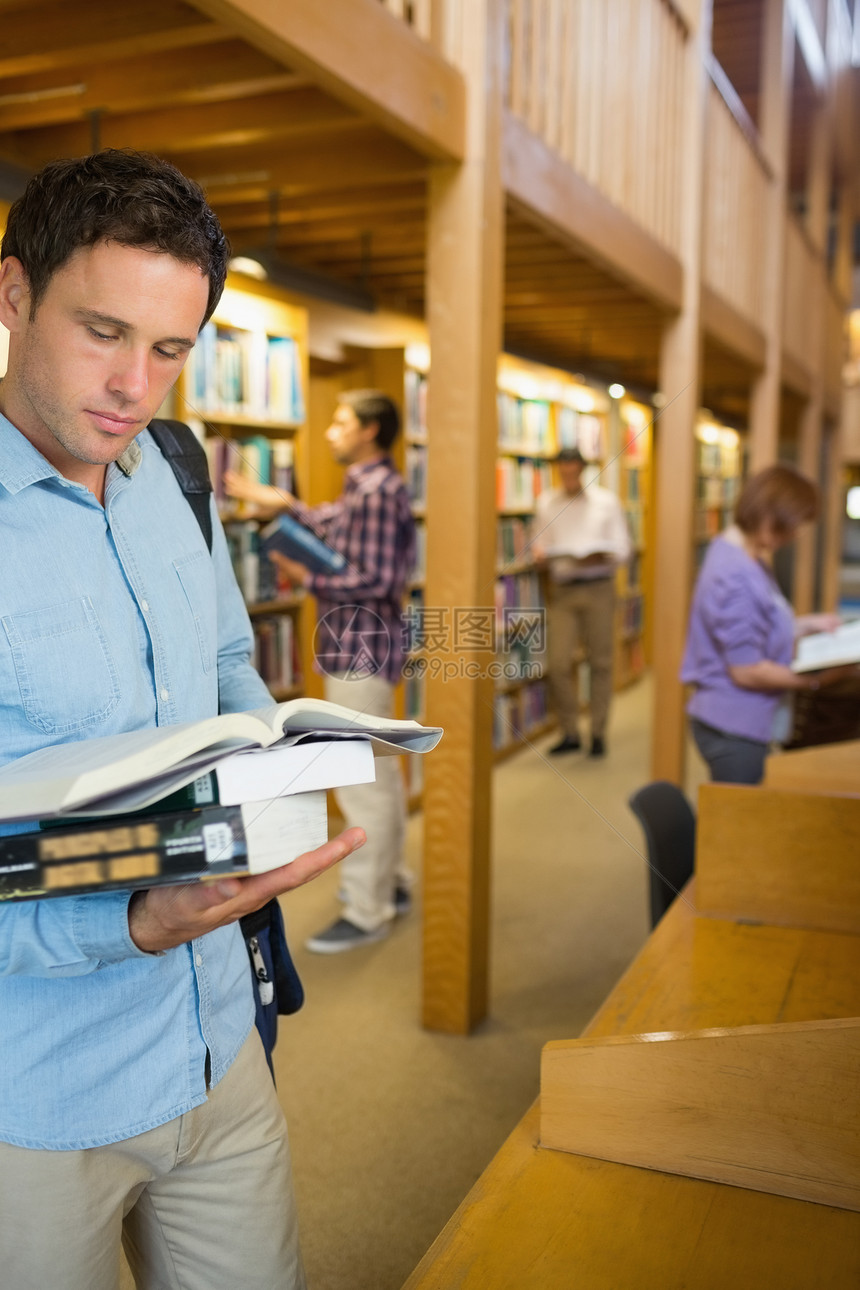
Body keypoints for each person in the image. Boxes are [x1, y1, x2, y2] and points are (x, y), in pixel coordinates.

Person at [0, 149, 366, 1290]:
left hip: (218, 1040)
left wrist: (266, 787)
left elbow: (220, 660)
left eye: (169, 349)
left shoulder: (170, 464)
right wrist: (130, 924)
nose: (133, 386)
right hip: (33, 1101)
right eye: (102, 332)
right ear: (12, 296)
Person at [224, 390, 416, 953]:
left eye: (341, 422)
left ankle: (367, 909)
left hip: (360, 648)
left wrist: (305, 577)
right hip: (354, 646)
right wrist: (283, 502)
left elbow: (375, 579)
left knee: (362, 784)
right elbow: (329, 521)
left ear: (371, 431)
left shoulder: (378, 491)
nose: (330, 431)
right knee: (379, 777)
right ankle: (393, 883)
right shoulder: (366, 488)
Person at [681, 463, 850, 785]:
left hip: (731, 719)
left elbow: (755, 624)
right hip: (733, 724)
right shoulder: (737, 576)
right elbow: (747, 670)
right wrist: (817, 681)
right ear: (773, 516)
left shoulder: (737, 552)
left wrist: (807, 624)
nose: (798, 534)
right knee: (741, 825)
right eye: (796, 524)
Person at [532, 446, 632, 757]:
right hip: (563, 590)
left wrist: (601, 554)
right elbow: (540, 545)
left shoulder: (606, 502)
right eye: (563, 470)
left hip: (599, 587)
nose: (568, 475)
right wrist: (540, 555)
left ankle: (598, 732)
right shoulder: (546, 502)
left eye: (573, 470)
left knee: (600, 661)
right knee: (559, 663)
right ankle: (570, 731)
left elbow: (624, 548)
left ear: (582, 469)